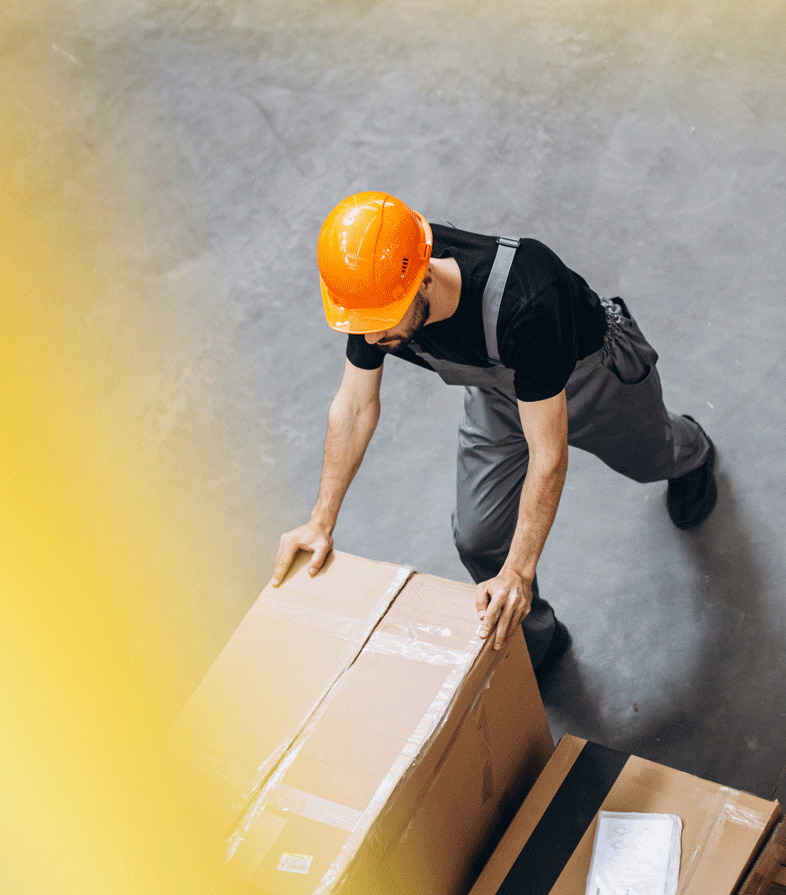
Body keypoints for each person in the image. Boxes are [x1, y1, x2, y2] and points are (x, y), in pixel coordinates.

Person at [272, 191, 718, 673]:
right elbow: (355, 406)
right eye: (363, 324)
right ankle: (537, 637)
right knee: (478, 538)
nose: (373, 338)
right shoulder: (375, 292)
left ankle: (692, 450)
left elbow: (548, 456)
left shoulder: (527, 294)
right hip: (498, 391)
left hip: (587, 375)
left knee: (652, 458)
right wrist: (321, 520)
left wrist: (521, 571)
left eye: (382, 323)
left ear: (422, 279)